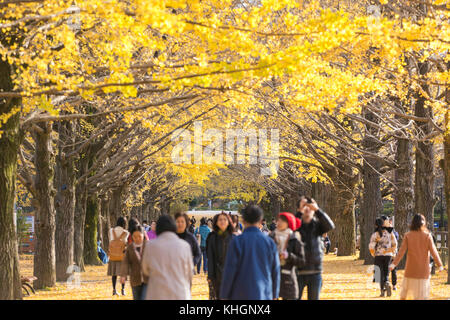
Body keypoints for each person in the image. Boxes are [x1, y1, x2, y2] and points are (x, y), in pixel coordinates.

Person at [220, 205, 280, 300]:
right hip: (264, 292)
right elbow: (275, 270)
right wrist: (275, 294)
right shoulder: (269, 243)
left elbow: (229, 270)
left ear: (243, 221)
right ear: (261, 221)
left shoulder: (237, 242)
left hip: (240, 292)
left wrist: (224, 294)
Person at [389, 214, 444, 300]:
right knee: (422, 296)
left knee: (404, 295)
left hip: (411, 270)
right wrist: (440, 265)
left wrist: (393, 264)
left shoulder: (408, 235)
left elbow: (401, 252)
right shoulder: (427, 236)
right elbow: (434, 252)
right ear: (423, 223)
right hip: (423, 270)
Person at [141, 215, 194, 300]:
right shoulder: (185, 246)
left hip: (157, 293)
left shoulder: (150, 246)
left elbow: (145, 270)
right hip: (180, 293)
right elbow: (189, 273)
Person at [296, 196, 335, 300]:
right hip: (297, 271)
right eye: (304, 206)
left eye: (310, 206)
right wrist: (299, 212)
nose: (307, 209)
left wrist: (318, 210)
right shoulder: (296, 225)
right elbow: (291, 228)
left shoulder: (318, 226)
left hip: (315, 272)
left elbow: (330, 226)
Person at [269, 212, 305, 300]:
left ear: (289, 223)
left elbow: (302, 262)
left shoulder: (294, 238)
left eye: (282, 221)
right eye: (278, 221)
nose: (279, 223)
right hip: (271, 278)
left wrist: (289, 256)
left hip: (288, 279)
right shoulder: (271, 237)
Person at [206, 212, 236, 300]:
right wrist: (210, 276)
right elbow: (210, 257)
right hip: (216, 275)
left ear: (228, 222)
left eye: (224, 219)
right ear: (216, 222)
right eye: (220, 219)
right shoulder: (212, 237)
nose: (222, 221)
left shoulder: (234, 238)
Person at [369, 217, 397, 297]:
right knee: (386, 272)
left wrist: (373, 253)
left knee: (380, 273)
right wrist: (391, 251)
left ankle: (382, 291)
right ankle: (387, 282)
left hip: (378, 255)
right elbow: (395, 244)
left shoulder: (375, 234)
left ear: (375, 225)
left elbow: (371, 246)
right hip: (388, 256)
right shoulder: (390, 233)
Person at [120, 225, 148, 300]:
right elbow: (125, 262)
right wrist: (123, 275)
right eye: (135, 236)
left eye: (139, 236)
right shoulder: (130, 248)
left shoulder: (149, 246)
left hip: (147, 280)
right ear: (131, 236)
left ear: (143, 235)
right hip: (135, 279)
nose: (137, 238)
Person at [107, 217, 129, 296]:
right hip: (122, 256)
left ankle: (114, 290)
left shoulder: (111, 231)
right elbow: (125, 242)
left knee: (114, 274)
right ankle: (123, 290)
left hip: (113, 255)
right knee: (123, 273)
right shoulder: (125, 232)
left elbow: (110, 241)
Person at [387, 216, 399, 290]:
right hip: (392, 253)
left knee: (390, 269)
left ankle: (390, 284)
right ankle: (392, 285)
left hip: (390, 253)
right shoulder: (394, 233)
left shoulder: (393, 232)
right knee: (392, 270)